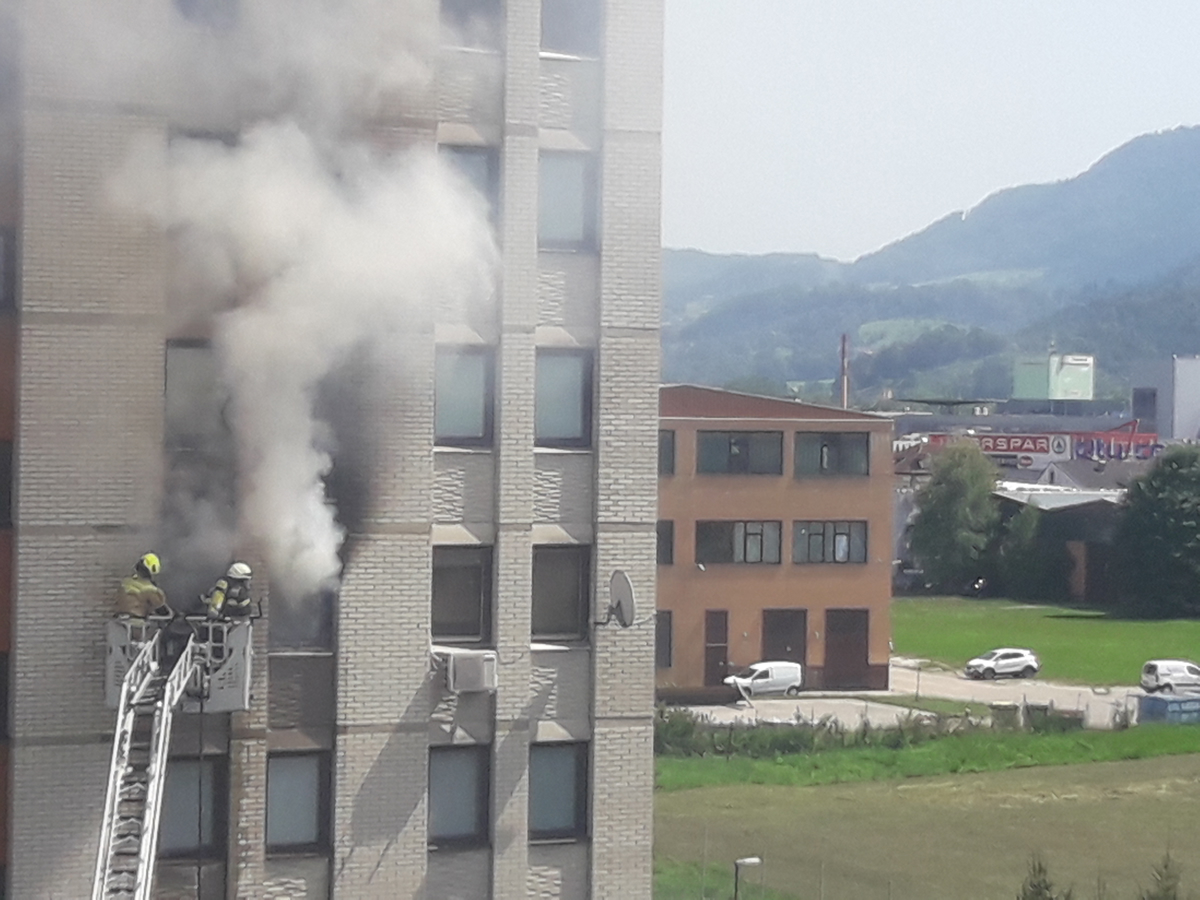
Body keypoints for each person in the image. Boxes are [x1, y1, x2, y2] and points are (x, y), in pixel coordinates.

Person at [114, 553, 170, 618]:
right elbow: (161, 607)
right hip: (138, 621)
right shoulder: (149, 589)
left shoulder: (126, 582)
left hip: (119, 618)